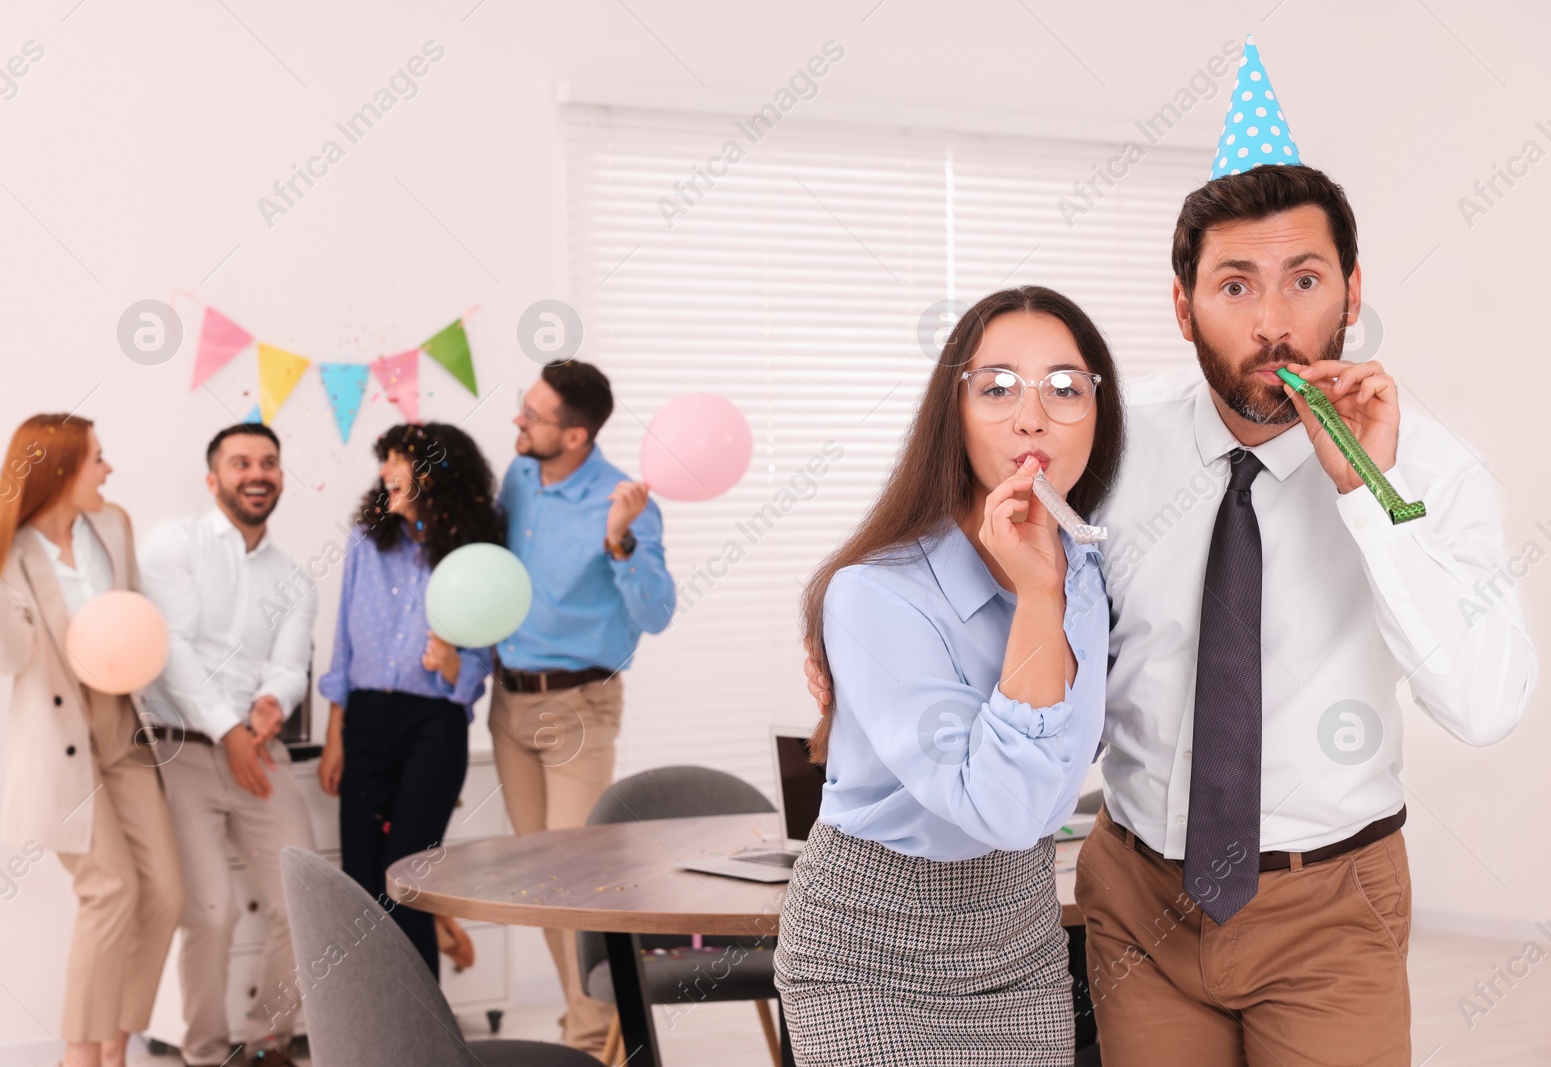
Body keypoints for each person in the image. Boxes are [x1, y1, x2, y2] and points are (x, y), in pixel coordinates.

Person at [805, 39, 1538, 1066]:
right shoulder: (1107, 435)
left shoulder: (1432, 469)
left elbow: (1486, 699)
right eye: (1235, 285)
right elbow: (986, 546)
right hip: (1139, 894)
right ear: (1181, 302)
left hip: (1330, 898)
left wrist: (1365, 494)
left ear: (1352, 292)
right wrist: (856, 662)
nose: (1273, 321)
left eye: (1303, 279)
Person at [776, 287, 1125, 1066]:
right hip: (868, 958)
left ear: (1098, 417)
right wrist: (1035, 597)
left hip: (1022, 943)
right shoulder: (874, 592)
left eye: (1066, 388)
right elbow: (1000, 808)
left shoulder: (1088, 573)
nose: (1032, 416)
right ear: (953, 412)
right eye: (997, 387)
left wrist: (1051, 586)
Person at [0, 415, 182, 1067]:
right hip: (60, 742)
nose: (108, 470)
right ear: (61, 471)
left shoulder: (114, 525)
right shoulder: (13, 552)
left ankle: (116, 1039)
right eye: (97, 459)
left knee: (164, 891)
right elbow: (9, 653)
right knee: (111, 890)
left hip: (125, 727)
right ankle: (82, 1056)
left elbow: (133, 617)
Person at [491, 359, 675, 1052]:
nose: (518, 419)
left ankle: (594, 1038)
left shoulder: (625, 501)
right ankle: (591, 1022)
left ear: (574, 436)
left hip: (579, 708)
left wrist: (619, 539)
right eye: (524, 406)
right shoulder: (520, 478)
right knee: (537, 884)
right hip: (507, 702)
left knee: (573, 885)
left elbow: (656, 613)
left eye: (533, 416)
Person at [136, 423, 316, 1067]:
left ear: (281, 476)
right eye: (241, 463)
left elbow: (290, 666)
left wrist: (271, 705)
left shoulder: (295, 576)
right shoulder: (172, 545)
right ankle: (205, 1053)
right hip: (180, 753)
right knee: (210, 913)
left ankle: (269, 1044)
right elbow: (171, 650)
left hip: (261, 754)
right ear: (213, 479)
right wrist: (229, 730)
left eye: (269, 461)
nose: (257, 473)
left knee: (307, 898)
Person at [317, 422, 503, 976]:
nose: (385, 471)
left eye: (400, 459)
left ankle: (420, 1038)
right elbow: (342, 645)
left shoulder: (477, 553)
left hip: (434, 724)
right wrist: (335, 737)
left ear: (437, 474)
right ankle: (370, 1032)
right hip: (367, 720)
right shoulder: (366, 540)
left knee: (409, 880)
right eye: (385, 458)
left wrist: (456, 665)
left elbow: (488, 646)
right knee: (361, 882)